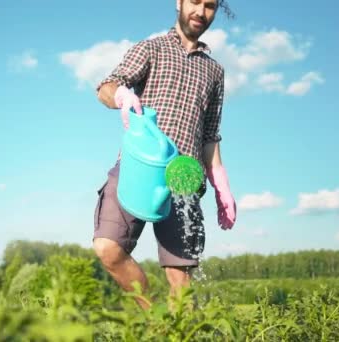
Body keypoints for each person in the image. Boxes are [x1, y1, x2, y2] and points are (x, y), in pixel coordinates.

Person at [92, 0, 237, 309]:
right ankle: (156, 318)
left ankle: (174, 332)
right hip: (138, 167)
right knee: (108, 248)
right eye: (195, 2)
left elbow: (210, 135)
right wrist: (120, 95)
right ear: (179, 3)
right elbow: (107, 86)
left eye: (210, 6)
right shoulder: (151, 48)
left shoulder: (215, 71)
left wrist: (222, 184)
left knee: (180, 280)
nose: (200, 11)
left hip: (184, 180)